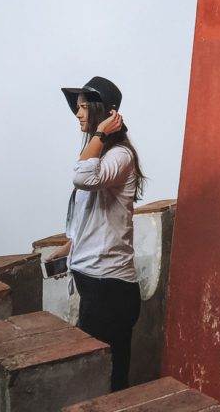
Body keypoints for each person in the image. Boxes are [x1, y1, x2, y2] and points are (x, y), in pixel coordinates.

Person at [50, 76, 146, 392]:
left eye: (82, 108)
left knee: (104, 379)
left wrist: (102, 132)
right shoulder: (102, 156)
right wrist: (70, 247)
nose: (77, 115)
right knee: (98, 374)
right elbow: (89, 215)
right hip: (96, 284)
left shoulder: (120, 156)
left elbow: (81, 177)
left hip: (111, 288)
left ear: (105, 112)